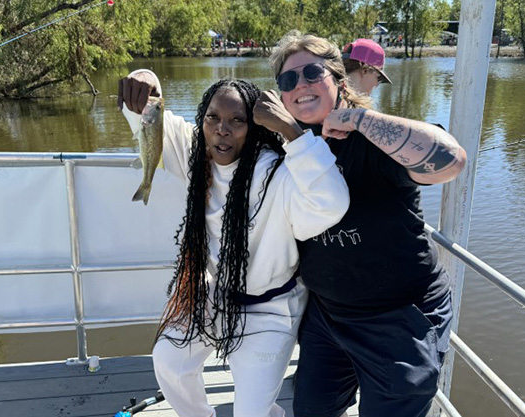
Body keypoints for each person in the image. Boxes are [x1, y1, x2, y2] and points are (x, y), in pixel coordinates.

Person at [117, 71, 350, 417]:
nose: (222, 130)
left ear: (253, 128)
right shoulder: (199, 153)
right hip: (217, 296)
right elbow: (151, 118)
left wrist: (293, 133)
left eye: (236, 121)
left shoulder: (278, 173)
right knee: (169, 359)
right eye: (213, 118)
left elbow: (331, 203)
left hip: (270, 308)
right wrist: (145, 79)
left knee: (252, 412)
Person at [268, 31, 468, 417]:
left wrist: (358, 119)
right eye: (288, 80)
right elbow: (215, 132)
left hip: (399, 318)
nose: (301, 86)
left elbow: (451, 160)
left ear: (339, 79)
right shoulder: (289, 143)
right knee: (311, 411)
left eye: (312, 73)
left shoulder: (374, 137)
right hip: (328, 317)